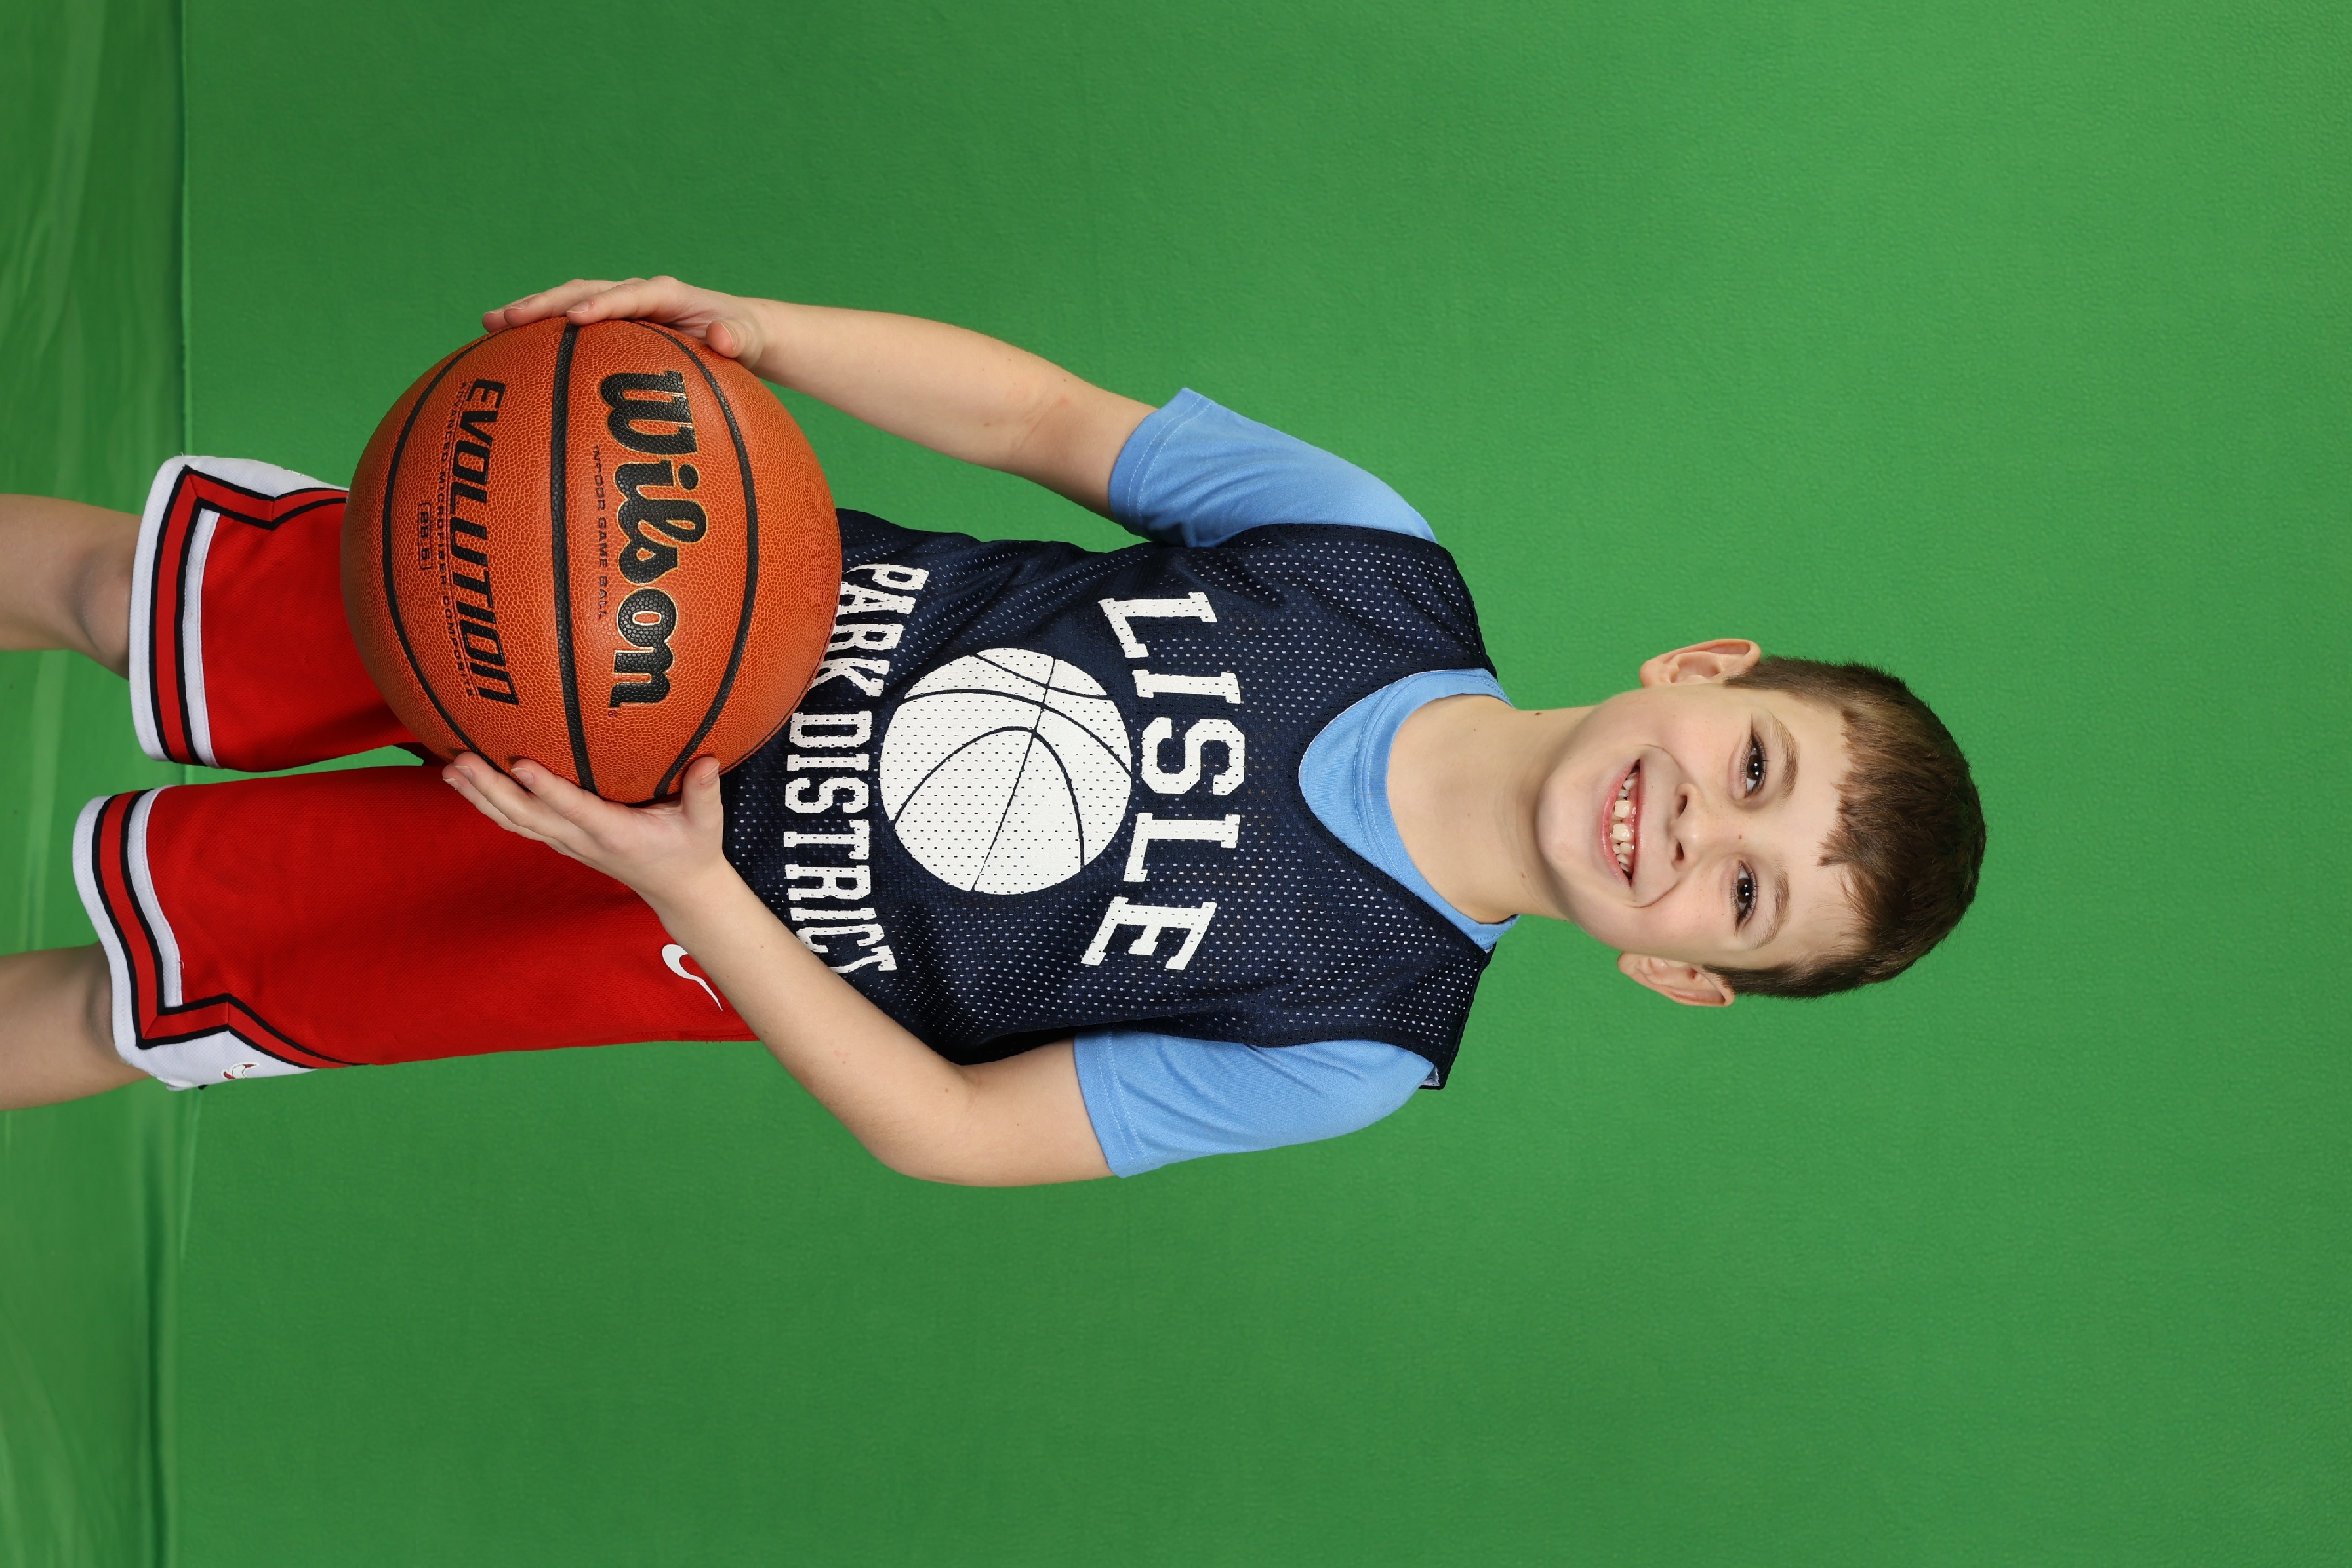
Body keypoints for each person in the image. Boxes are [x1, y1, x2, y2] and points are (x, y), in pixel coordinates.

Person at [0, 277, 1985, 1184]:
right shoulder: (1371, 560)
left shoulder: (1359, 1040)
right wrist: (763, 338)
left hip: (652, 920)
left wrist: (693, 885)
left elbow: (952, 1132)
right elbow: (1045, 421)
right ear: (1703, 669)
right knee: (128, 593)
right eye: (1756, 769)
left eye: (1741, 897)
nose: (1696, 830)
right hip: (637, 594)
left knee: (133, 1006)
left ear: (1675, 974)